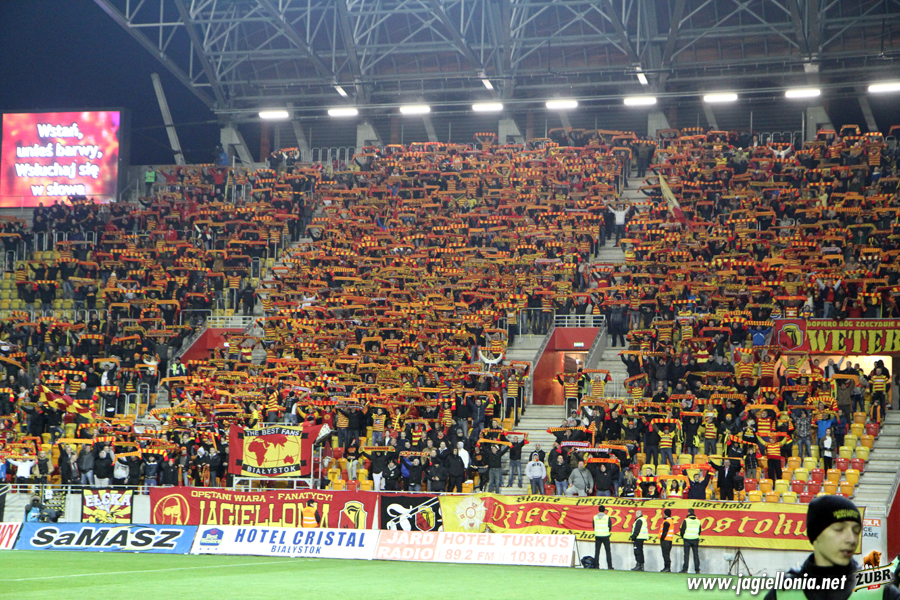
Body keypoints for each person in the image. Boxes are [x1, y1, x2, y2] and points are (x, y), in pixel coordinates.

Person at [764, 496, 900, 600]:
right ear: (815, 534)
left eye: (856, 531)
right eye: (839, 529)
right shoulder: (782, 593)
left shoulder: (882, 591)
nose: (851, 539)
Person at [679, 508, 701, 574]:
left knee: (686, 555)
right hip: (695, 539)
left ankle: (685, 569)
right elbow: (699, 531)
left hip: (687, 539)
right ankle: (697, 570)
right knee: (696, 555)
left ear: (688, 513)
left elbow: (682, 530)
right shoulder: (698, 521)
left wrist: (683, 536)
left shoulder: (686, 520)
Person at [593, 505, 613, 570]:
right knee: (608, 551)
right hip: (605, 535)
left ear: (598, 510)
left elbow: (593, 526)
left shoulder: (595, 517)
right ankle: (609, 566)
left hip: (597, 535)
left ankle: (596, 566)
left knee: (597, 551)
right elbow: (610, 526)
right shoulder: (607, 517)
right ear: (604, 510)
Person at [659, 508, 676, 572]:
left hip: (665, 540)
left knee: (665, 554)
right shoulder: (671, 521)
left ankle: (667, 567)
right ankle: (667, 567)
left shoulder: (666, 522)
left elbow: (665, 531)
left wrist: (662, 538)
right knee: (667, 554)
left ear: (665, 514)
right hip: (669, 540)